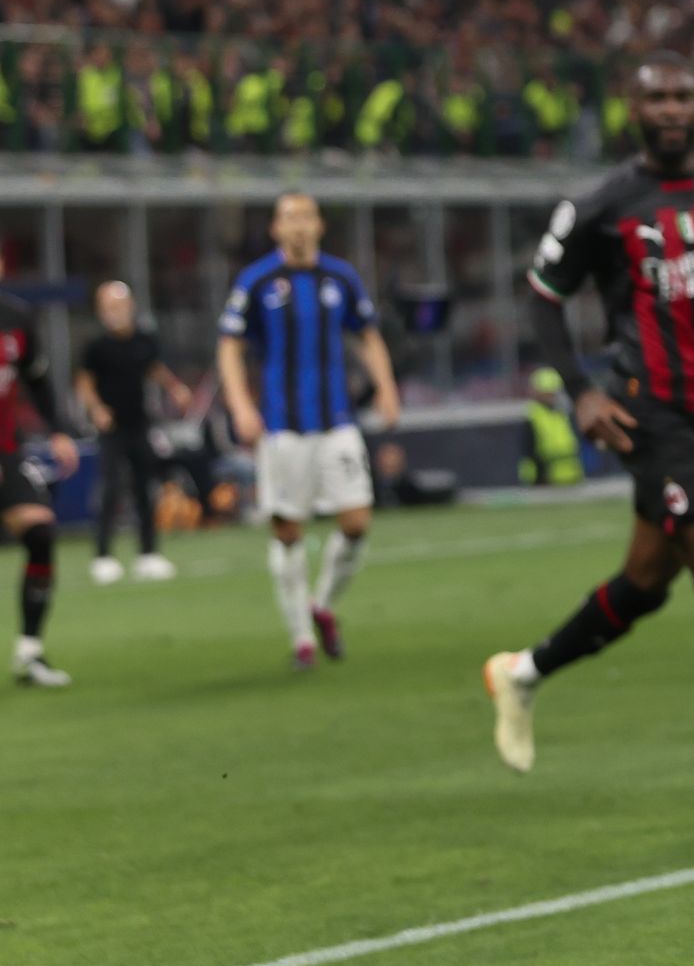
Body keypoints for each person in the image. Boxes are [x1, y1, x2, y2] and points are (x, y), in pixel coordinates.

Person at [483, 52, 694, 806]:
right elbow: (543, 298)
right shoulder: (604, 203)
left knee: (644, 585)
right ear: (632, 110)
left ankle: (521, 673)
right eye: (657, 98)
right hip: (649, 414)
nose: (672, 108)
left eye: (683, 95)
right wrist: (579, 391)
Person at [217, 192, 401, 669]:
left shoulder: (341, 277)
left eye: (305, 217)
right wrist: (240, 406)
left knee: (357, 522)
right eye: (288, 218)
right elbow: (229, 346)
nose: (298, 226)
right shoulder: (257, 281)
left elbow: (367, 334)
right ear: (275, 229)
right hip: (282, 427)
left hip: (337, 420)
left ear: (319, 226)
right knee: (288, 531)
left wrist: (386, 387)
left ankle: (321, 606)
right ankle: (302, 638)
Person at [75, 281, 193, 584]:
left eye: (117, 306)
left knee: (145, 488)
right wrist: (97, 409)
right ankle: (103, 557)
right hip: (111, 428)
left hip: (139, 423)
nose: (113, 313)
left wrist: (175, 388)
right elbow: (85, 384)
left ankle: (148, 554)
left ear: (130, 307)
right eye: (107, 307)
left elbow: (154, 368)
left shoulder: (144, 340)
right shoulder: (96, 346)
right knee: (110, 488)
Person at [0, 249, 80, 686]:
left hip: (5, 451)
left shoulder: (16, 318)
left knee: (40, 533)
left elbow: (37, 379)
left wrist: (59, 430)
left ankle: (29, 653)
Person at [517, 367, 584, 486]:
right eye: (548, 393)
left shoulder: (562, 412)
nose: (552, 396)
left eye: (553, 392)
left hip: (571, 475)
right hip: (545, 479)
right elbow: (529, 450)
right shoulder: (533, 416)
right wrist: (539, 478)